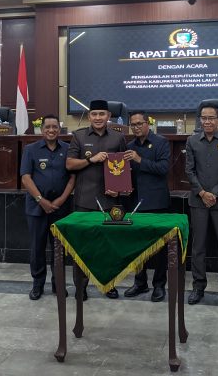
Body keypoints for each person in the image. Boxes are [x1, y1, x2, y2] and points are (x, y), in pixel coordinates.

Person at [66, 99, 127, 299]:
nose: (98, 118)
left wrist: (118, 190)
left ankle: (108, 284)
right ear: (90, 116)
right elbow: (69, 164)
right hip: (85, 201)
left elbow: (124, 169)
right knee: (82, 247)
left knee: (108, 246)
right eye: (94, 114)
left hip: (111, 202)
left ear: (109, 116)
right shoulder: (79, 136)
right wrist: (89, 159)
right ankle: (81, 287)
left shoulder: (118, 138)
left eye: (102, 114)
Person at [185, 102, 218, 307]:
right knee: (198, 247)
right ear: (200, 120)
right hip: (198, 201)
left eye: (211, 118)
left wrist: (213, 194)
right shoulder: (192, 141)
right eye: (204, 118)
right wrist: (202, 193)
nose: (207, 121)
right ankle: (198, 287)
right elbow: (189, 171)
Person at [20, 114, 75, 300]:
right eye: (47, 127)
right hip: (37, 208)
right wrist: (41, 200)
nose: (51, 130)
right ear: (42, 129)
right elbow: (26, 178)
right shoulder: (30, 149)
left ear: (59, 130)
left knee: (59, 248)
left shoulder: (68, 149)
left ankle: (58, 283)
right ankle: (37, 284)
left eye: (54, 127)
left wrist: (59, 201)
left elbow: (72, 178)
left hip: (61, 208)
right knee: (37, 248)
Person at [122, 110, 171, 302]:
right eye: (133, 124)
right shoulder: (128, 146)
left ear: (147, 123)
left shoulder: (161, 142)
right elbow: (125, 174)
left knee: (159, 248)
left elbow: (163, 169)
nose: (136, 127)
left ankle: (159, 285)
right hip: (133, 202)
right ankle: (140, 282)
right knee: (137, 247)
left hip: (156, 202)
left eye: (139, 123)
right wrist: (122, 187)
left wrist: (139, 160)